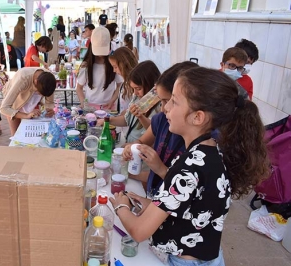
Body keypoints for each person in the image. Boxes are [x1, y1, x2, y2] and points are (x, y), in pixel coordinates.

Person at [111, 67, 269, 265]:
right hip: (209, 256)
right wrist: (150, 205)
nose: (166, 108)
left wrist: (121, 206)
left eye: (174, 101)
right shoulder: (212, 153)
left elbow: (139, 231)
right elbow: (192, 208)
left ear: (198, 117)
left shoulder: (188, 166)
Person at [122, 61, 198, 193]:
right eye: (161, 101)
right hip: (156, 198)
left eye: (170, 101)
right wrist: (132, 147)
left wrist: (160, 169)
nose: (163, 108)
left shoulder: (201, 145)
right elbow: (141, 141)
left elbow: (189, 193)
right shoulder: (161, 120)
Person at [97, 60, 161, 144]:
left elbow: (154, 130)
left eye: (138, 88)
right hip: (131, 145)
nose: (135, 93)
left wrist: (140, 117)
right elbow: (127, 119)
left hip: (141, 149)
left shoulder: (160, 105)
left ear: (150, 84)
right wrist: (107, 120)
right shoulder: (137, 97)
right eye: (133, 88)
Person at [76, 26, 123, 110]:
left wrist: (112, 100)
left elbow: (120, 84)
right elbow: (79, 88)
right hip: (90, 107)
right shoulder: (86, 65)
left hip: (109, 107)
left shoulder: (114, 64)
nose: (100, 54)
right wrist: (84, 104)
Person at [0, 67, 56, 135]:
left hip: (29, 95)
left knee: (29, 132)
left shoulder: (48, 80)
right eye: (39, 93)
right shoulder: (23, 78)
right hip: (14, 100)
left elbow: (50, 102)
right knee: (16, 134)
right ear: (36, 81)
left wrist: (49, 109)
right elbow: (4, 108)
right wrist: (26, 115)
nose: (40, 96)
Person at [108, 47, 138, 113]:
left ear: (123, 65)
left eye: (115, 67)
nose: (114, 70)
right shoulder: (125, 83)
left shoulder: (135, 84)